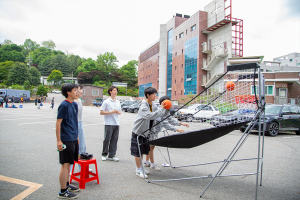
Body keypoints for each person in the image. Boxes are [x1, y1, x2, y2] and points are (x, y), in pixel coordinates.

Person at [144, 96, 189, 171]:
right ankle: (152, 164)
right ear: (162, 103)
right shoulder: (160, 110)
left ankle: (147, 162)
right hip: (151, 131)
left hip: (155, 131)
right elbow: (165, 124)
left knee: (150, 147)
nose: (169, 103)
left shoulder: (166, 110)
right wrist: (177, 129)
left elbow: (170, 120)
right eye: (166, 102)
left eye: (169, 101)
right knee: (151, 147)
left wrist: (181, 123)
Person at [131, 87, 167, 178]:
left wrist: (164, 108)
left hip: (146, 132)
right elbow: (150, 116)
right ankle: (138, 170)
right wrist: (161, 109)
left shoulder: (153, 105)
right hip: (138, 132)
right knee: (138, 152)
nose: (156, 96)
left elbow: (159, 114)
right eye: (154, 94)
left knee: (142, 151)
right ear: (148, 95)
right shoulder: (144, 105)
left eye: (156, 94)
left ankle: (141, 168)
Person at [56, 83, 80, 199]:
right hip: (66, 139)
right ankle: (62, 191)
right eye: (75, 90)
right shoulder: (64, 105)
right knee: (65, 165)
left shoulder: (74, 105)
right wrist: (59, 141)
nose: (77, 92)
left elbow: (74, 122)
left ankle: (66, 184)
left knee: (69, 164)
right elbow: (58, 123)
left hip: (73, 138)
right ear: (68, 92)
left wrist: (77, 137)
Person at [100, 86, 121, 162]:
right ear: (110, 92)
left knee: (114, 139)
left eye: (116, 91)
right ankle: (104, 154)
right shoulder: (106, 101)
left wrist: (118, 112)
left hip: (116, 123)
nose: (115, 92)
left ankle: (112, 155)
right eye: (114, 90)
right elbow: (101, 112)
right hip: (108, 123)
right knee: (107, 139)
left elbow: (120, 112)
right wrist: (111, 112)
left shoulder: (118, 101)